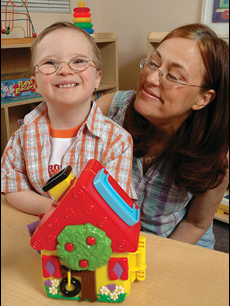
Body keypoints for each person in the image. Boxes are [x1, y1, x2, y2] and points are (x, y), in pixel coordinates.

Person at [97, 23, 229, 249]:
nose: (151, 79)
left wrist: (152, 261)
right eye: (153, 64)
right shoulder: (109, 110)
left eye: (174, 76)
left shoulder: (216, 156)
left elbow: (196, 224)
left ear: (203, 99)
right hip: (111, 237)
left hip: (177, 242)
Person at [1, 22, 136, 215]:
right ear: (35, 84)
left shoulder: (117, 141)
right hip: (41, 227)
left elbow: (116, 204)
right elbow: (12, 187)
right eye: (50, 63)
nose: (64, 70)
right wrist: (51, 209)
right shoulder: (21, 137)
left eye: (79, 61)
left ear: (97, 78)